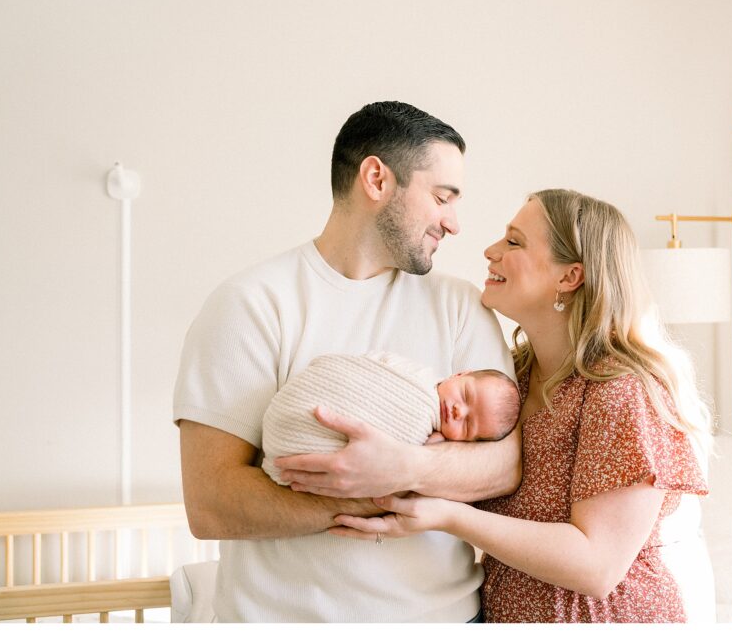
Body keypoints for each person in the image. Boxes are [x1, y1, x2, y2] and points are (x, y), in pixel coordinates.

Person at [173, 101, 521, 623]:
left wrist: (403, 468)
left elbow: (506, 465)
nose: (454, 223)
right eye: (442, 197)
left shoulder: (461, 306)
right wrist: (366, 493)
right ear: (377, 179)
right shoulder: (251, 305)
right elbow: (212, 503)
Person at [330, 189, 717, 623]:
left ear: (570, 277)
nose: (491, 251)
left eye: (514, 242)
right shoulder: (512, 378)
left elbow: (597, 567)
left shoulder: (620, 391)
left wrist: (447, 516)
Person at [261, 351, 520, 486]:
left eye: (467, 425)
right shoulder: (417, 373)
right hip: (318, 394)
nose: (458, 411)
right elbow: (374, 361)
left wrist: (431, 449)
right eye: (465, 395)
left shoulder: (433, 442)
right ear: (460, 375)